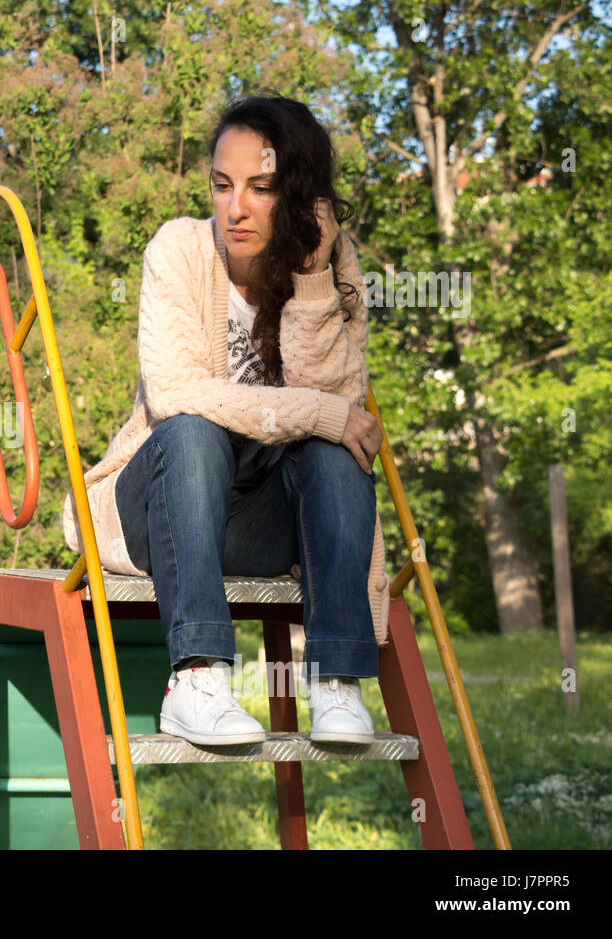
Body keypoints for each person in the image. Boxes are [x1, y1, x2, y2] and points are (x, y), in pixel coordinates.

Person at [63, 95, 389, 746]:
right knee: (191, 428)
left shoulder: (330, 262)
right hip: (161, 508)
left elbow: (344, 412)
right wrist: (323, 414)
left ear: (297, 195)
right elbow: (177, 391)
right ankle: (198, 676)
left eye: (260, 188)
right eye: (221, 185)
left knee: (333, 449)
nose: (234, 208)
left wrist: (315, 280)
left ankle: (334, 681)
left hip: (255, 523)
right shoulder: (179, 250)